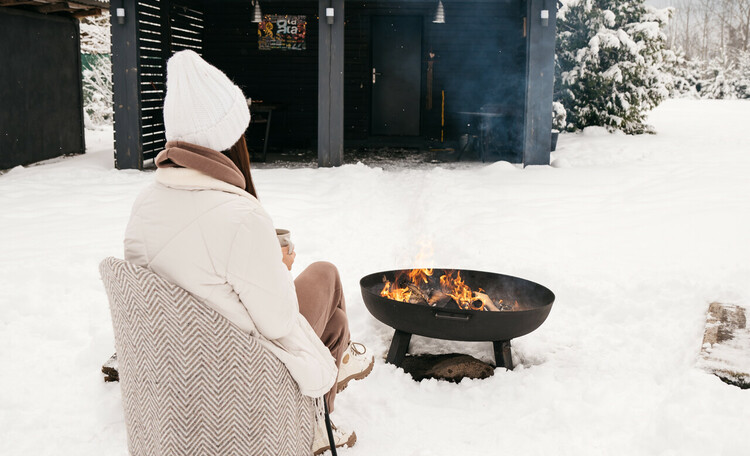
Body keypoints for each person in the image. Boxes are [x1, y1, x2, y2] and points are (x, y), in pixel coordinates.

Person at [123, 50, 373, 454]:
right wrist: (276, 264)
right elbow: (276, 322)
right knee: (326, 279)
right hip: (241, 364)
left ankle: (338, 360)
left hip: (183, 358)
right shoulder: (239, 215)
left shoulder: (146, 202)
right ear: (227, 141)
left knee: (335, 323)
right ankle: (316, 416)